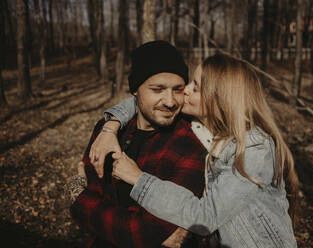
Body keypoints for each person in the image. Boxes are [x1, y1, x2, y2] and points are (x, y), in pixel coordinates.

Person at [94, 54, 299, 247]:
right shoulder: (202, 127)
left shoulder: (254, 149)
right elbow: (143, 98)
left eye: (196, 87)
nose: (185, 90)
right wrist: (110, 126)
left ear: (221, 99)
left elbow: (206, 216)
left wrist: (139, 179)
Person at [66, 40, 207, 248]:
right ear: (135, 91)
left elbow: (141, 233)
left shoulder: (189, 148)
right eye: (157, 89)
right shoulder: (106, 132)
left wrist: (78, 198)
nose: (170, 101)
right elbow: (94, 188)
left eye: (177, 89)